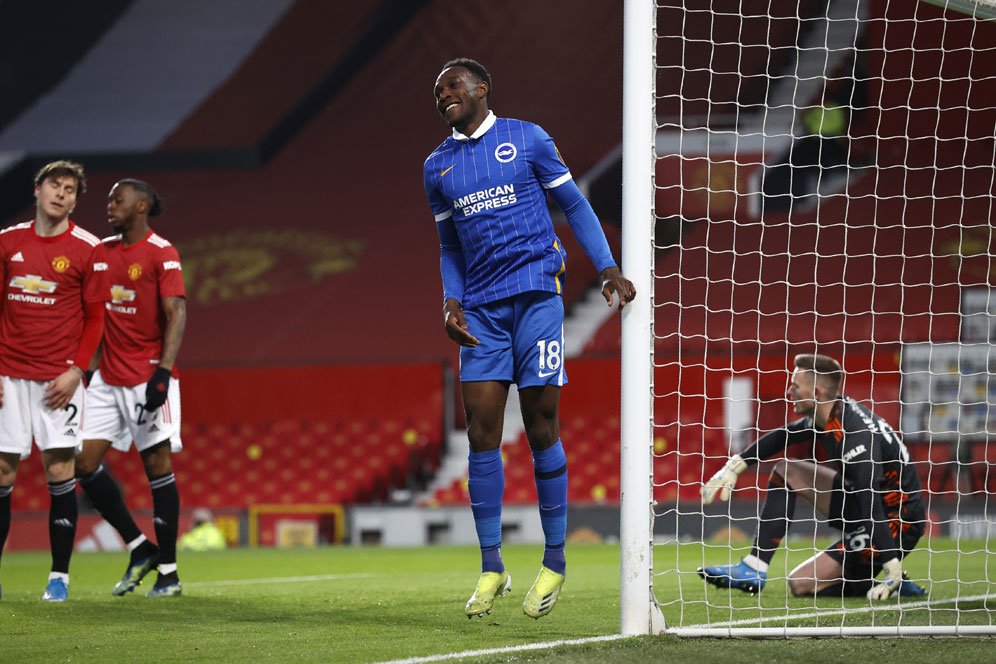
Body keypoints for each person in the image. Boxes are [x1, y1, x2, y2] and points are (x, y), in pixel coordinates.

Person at [423, 58, 636, 619]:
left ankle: (555, 561)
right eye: (438, 90)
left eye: (454, 85)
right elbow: (449, 248)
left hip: (538, 298)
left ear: (482, 89)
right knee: (481, 431)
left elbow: (574, 204)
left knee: (542, 423)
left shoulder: (528, 138)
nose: (444, 94)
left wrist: (608, 265)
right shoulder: (437, 167)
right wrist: (450, 300)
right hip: (481, 315)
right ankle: (492, 565)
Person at [698, 354, 928, 599]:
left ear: (816, 393)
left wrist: (891, 565)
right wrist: (733, 467)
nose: (789, 391)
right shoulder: (832, 413)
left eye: (795, 386)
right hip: (866, 504)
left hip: (896, 523)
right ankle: (753, 568)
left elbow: (871, 505)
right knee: (787, 471)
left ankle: (889, 579)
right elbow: (783, 436)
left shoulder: (856, 436)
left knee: (801, 584)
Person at [0, 160, 108, 601]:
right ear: (38, 189)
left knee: (61, 471)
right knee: (2, 471)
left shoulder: (88, 248)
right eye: (54, 185)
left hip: (57, 381)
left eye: (70, 189)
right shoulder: (7, 242)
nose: (61, 194)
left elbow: (96, 318)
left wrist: (76, 371)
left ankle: (58, 578)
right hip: (8, 375)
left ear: (75, 200)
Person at [75, 179, 187, 598]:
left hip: (147, 376)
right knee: (80, 464)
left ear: (141, 206)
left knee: (157, 467)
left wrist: (163, 371)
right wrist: (86, 370)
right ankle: (141, 547)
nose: (109, 205)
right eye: (107, 199)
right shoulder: (101, 254)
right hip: (107, 377)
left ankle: (170, 573)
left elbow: (177, 312)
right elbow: (94, 316)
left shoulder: (162, 253)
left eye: (117, 200)